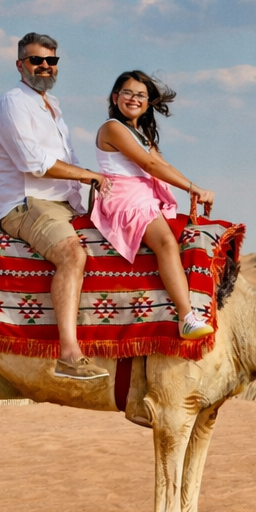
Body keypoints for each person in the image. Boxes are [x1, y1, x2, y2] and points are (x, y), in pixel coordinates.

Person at [0, 32, 114, 381]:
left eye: (51, 60)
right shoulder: (12, 103)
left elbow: (68, 160)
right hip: (27, 203)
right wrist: (88, 175)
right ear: (20, 65)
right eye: (36, 60)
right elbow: (33, 162)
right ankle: (69, 355)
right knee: (72, 255)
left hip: (64, 203)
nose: (45, 66)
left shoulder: (52, 106)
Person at [91, 70, 216, 339]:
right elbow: (148, 165)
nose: (134, 99)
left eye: (141, 95)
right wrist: (193, 188)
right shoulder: (113, 128)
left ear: (147, 103)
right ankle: (186, 317)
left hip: (145, 194)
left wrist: (194, 189)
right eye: (128, 93)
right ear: (115, 97)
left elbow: (162, 165)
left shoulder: (140, 134)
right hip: (125, 197)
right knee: (166, 242)